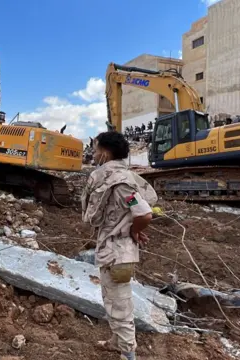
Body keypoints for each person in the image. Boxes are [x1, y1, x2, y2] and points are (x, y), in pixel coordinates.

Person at [81, 131, 157, 360]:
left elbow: (144, 213)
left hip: (118, 254)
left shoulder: (120, 182)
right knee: (110, 298)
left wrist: (135, 230)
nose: (93, 155)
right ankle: (117, 341)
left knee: (119, 303)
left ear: (105, 153)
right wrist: (133, 229)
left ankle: (128, 354)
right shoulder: (121, 176)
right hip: (112, 249)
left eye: (95, 150)